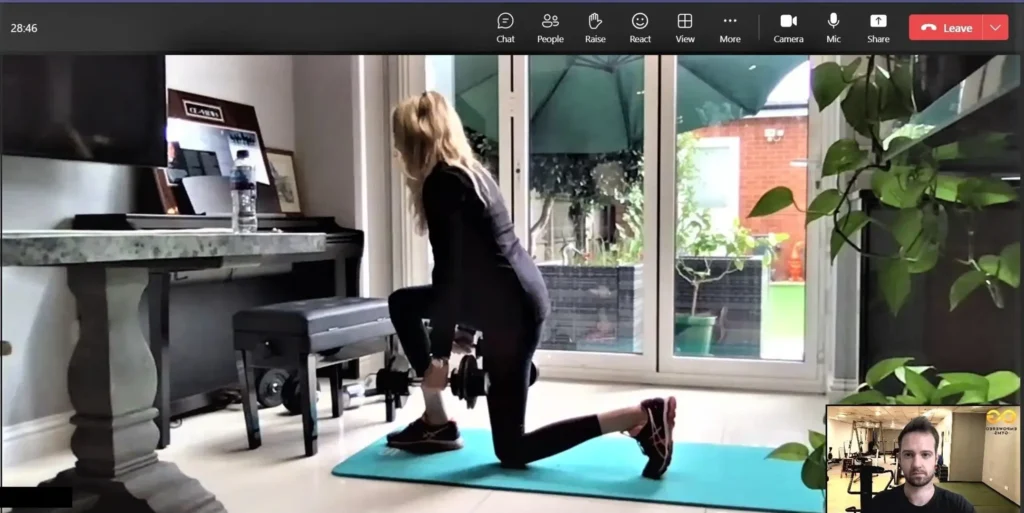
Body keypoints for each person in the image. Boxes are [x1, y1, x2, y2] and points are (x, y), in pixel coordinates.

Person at [384, 91, 677, 480]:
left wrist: (439, 359)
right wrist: (466, 329)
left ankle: (639, 416)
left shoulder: (442, 183)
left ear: (413, 141)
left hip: (509, 313)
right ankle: (437, 420)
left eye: (400, 142)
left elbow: (449, 278)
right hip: (514, 300)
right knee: (404, 303)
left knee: (512, 449)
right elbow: (479, 259)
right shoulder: (470, 172)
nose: (398, 152)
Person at [868, 416, 974, 513]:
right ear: (899, 459)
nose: (917, 464)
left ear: (936, 459)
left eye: (925, 454)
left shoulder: (960, 508)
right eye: (908, 454)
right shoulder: (877, 506)